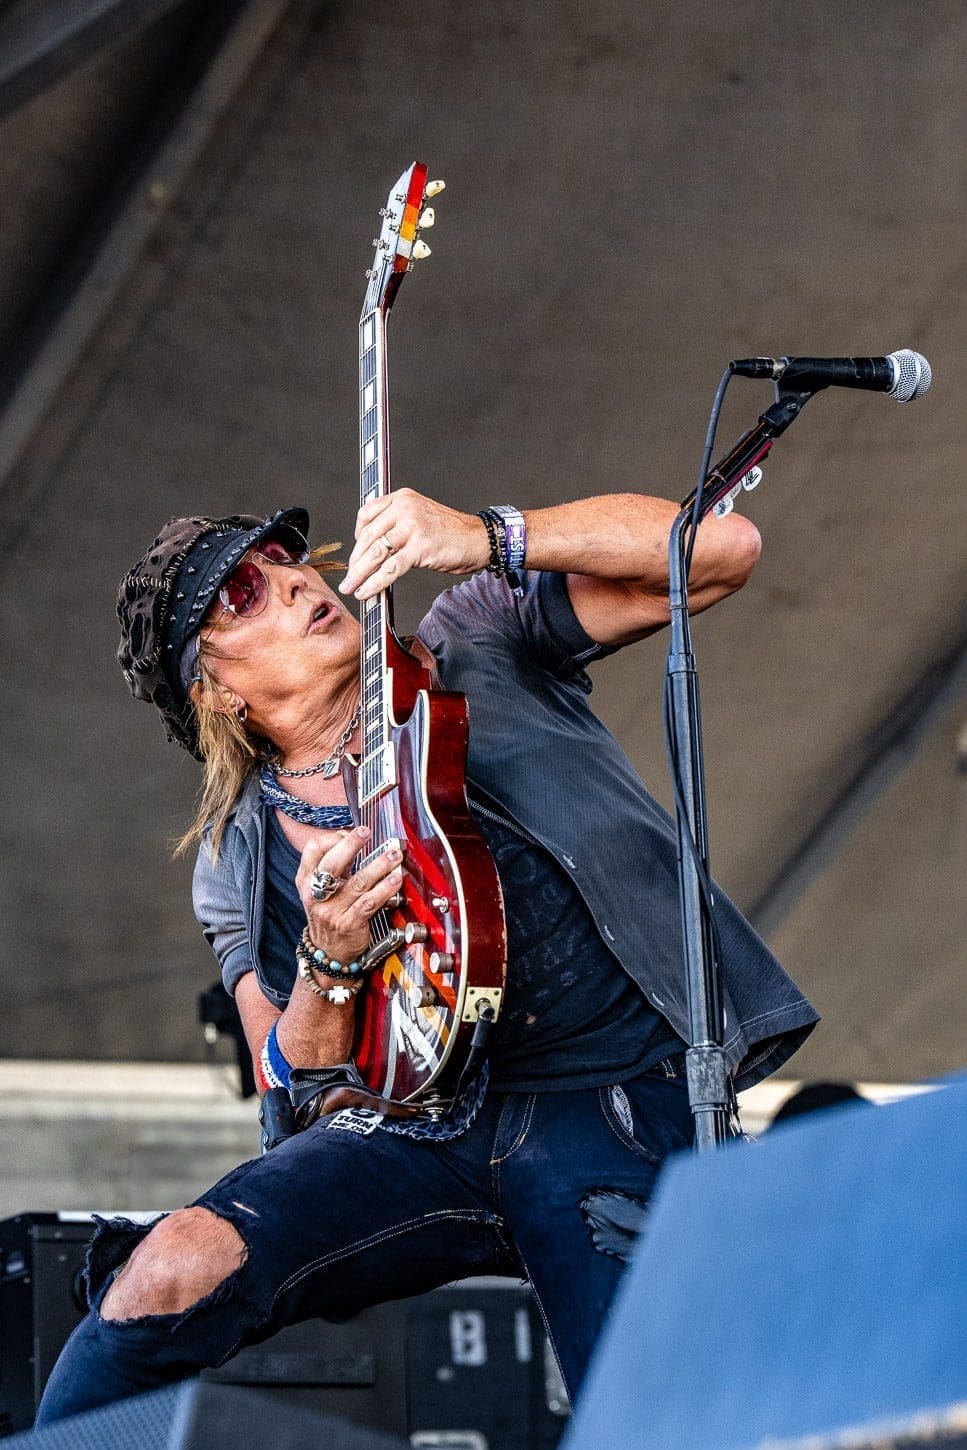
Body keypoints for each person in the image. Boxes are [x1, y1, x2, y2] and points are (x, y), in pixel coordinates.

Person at [38, 487, 817, 1424]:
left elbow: (721, 549)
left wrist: (485, 538)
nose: (292, 583)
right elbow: (299, 1085)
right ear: (215, 689)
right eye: (243, 591)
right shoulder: (235, 856)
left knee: (649, 1418)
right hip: (416, 1129)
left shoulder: (471, 641)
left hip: (607, 1099)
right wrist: (328, 965)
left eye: (290, 560)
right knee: (168, 1271)